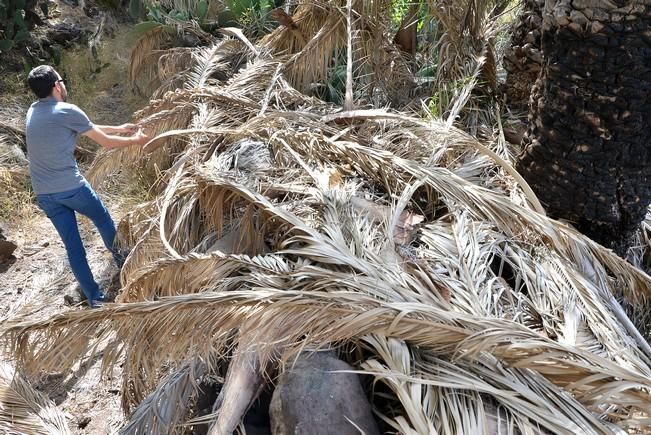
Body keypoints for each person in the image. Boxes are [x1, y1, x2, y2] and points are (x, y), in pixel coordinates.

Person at [25, 65, 149, 307]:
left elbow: (84, 127)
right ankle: (127, 266)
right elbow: (105, 143)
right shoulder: (66, 110)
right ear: (56, 86)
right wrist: (136, 140)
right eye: (62, 80)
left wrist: (121, 128)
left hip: (45, 194)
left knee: (73, 247)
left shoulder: (34, 111)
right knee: (103, 219)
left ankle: (95, 299)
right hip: (71, 188)